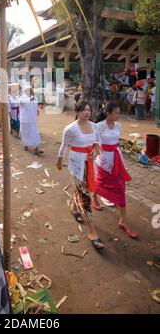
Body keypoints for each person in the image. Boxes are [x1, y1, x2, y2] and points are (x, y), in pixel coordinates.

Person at [56, 101, 104, 250]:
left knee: (83, 190)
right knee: (85, 196)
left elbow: (97, 141)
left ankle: (73, 207)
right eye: (84, 110)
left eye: (89, 110)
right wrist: (59, 160)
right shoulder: (70, 129)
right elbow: (64, 145)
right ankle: (92, 231)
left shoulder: (94, 126)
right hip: (77, 164)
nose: (87, 112)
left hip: (90, 163)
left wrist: (96, 148)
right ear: (77, 112)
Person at [95, 102, 138, 239]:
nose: (118, 115)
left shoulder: (118, 125)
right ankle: (94, 198)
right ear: (108, 113)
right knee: (99, 182)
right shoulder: (99, 126)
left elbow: (117, 142)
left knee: (120, 188)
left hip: (117, 159)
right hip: (104, 160)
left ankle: (122, 221)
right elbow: (94, 144)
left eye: (119, 113)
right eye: (116, 113)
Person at [18, 85, 42, 155]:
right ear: (25, 91)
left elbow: (36, 106)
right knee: (25, 133)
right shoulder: (22, 98)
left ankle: (36, 147)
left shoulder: (34, 98)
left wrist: (37, 110)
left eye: (31, 90)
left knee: (34, 133)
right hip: (25, 120)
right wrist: (29, 99)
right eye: (29, 90)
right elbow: (21, 102)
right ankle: (25, 145)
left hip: (33, 119)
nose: (30, 91)